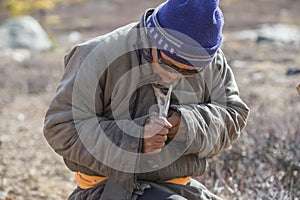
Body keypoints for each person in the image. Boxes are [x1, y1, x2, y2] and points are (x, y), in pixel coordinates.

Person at [43, 0, 250, 199]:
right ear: (152, 39)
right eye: (169, 64)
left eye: (189, 72)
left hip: (180, 186)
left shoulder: (209, 58)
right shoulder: (95, 56)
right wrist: (135, 140)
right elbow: (61, 127)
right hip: (108, 188)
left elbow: (233, 114)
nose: (174, 76)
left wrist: (186, 124)